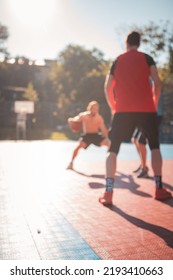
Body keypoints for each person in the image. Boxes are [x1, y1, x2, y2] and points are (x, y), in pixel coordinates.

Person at [99, 31, 172, 205]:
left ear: (126, 43)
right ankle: (159, 188)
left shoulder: (117, 60)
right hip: (147, 109)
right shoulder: (147, 58)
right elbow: (157, 82)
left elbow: (107, 86)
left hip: (122, 110)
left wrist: (113, 106)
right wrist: (153, 102)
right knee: (154, 147)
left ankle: (108, 192)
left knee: (112, 150)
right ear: (139, 43)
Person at [67, 101, 109, 170]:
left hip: (96, 135)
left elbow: (103, 129)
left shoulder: (99, 118)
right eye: (93, 108)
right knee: (78, 147)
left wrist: (107, 138)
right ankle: (71, 163)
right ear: (90, 108)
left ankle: (108, 164)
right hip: (87, 136)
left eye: (96, 109)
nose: (95, 110)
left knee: (108, 145)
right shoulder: (83, 115)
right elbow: (75, 120)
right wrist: (71, 120)